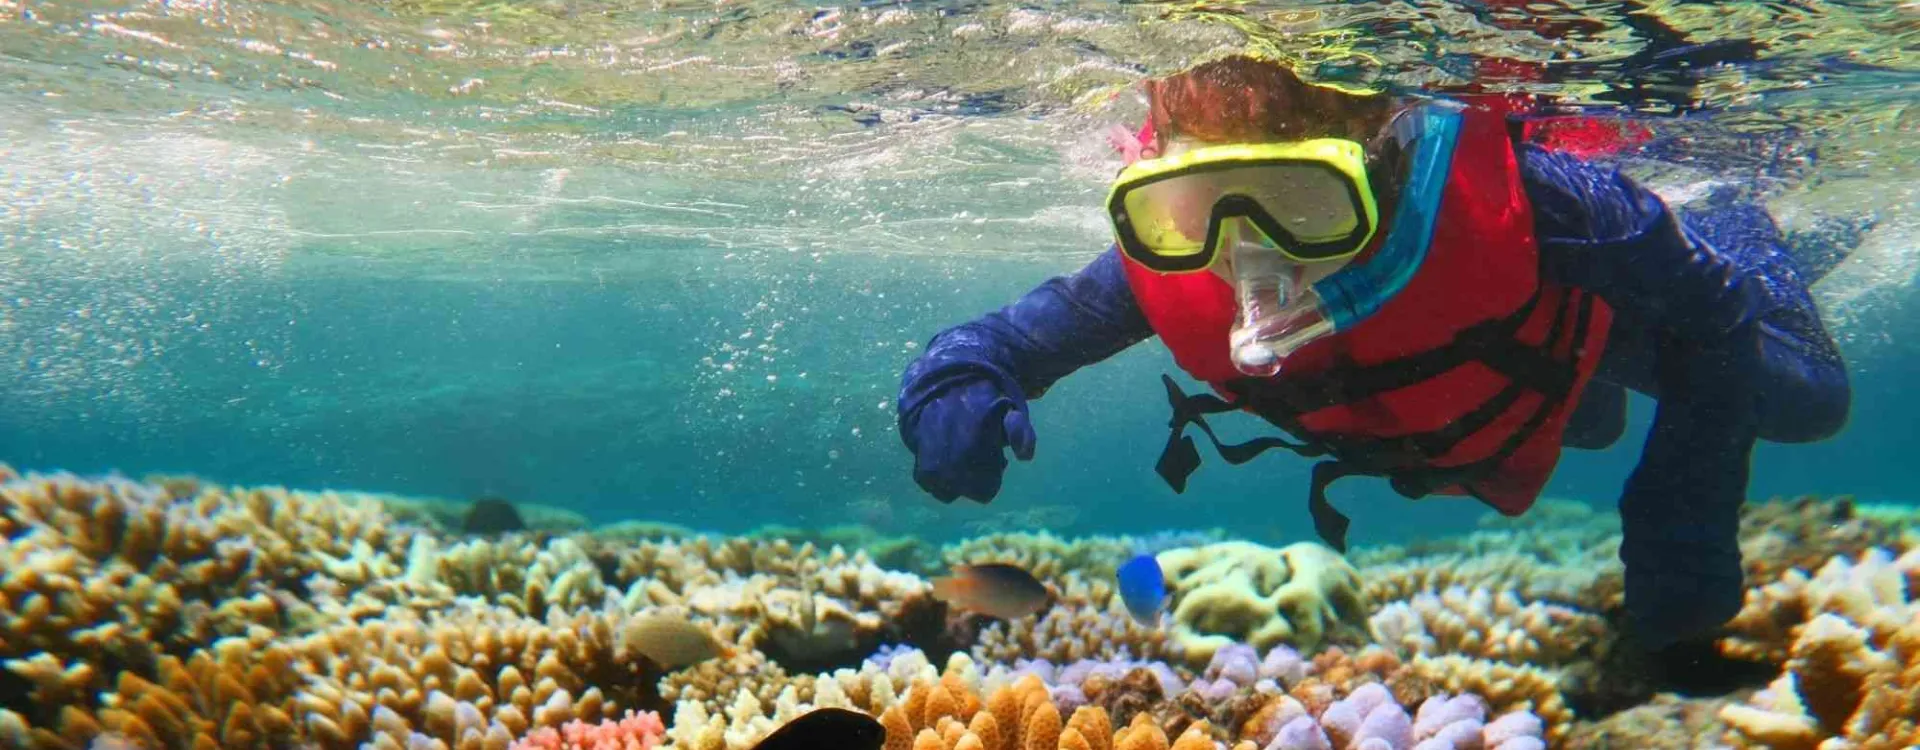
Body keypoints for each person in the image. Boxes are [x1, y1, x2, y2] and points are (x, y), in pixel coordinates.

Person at [894, 55, 1852, 676]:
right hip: (1509, 371)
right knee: (1590, 425)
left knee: (1805, 399)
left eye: (1300, 204)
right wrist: (954, 381)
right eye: (1195, 209)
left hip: (1577, 306)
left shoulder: (1555, 205)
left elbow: (1715, 320)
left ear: (1386, 165)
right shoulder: (1167, 269)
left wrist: (1681, 521)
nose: (1247, 254)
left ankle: (1737, 217)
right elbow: (1004, 342)